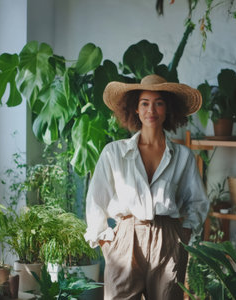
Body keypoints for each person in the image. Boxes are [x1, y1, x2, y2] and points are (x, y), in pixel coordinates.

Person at [84, 74, 209, 300]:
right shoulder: (114, 152)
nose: (151, 110)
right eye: (145, 103)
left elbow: (197, 201)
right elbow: (96, 199)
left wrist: (185, 233)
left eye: (158, 103)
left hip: (168, 239)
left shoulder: (182, 156)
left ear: (167, 109)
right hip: (125, 237)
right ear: (135, 109)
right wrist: (104, 239)